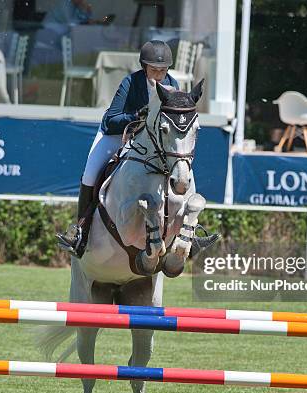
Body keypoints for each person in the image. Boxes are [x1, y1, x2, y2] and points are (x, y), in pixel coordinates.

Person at [59, 40, 213, 256]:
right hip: (117, 134)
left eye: (162, 70)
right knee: (90, 174)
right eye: (154, 70)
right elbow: (111, 119)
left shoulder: (172, 85)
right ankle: (81, 231)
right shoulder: (130, 83)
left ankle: (190, 231)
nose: (158, 75)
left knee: (182, 170)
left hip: (151, 142)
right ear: (144, 67)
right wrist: (136, 116)